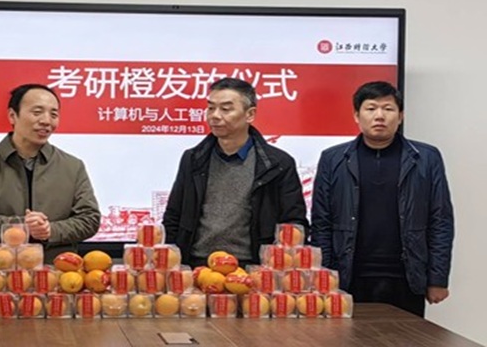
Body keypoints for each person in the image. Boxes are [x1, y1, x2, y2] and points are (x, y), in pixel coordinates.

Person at [310, 81, 454, 317]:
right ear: (356, 115)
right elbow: (321, 223)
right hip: (348, 276)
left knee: (408, 336)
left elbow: (441, 220)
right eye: (371, 108)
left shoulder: (426, 158)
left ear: (401, 116)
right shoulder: (333, 159)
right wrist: (323, 277)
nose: (379, 116)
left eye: (388, 109)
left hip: (407, 276)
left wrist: (437, 278)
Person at [0, 84, 101, 284]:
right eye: (37, 112)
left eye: (54, 114)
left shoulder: (72, 166)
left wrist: (51, 230)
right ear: (12, 116)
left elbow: (90, 219)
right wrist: (19, 226)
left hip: (57, 283)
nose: (46, 121)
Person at [162, 77, 308, 268]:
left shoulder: (277, 164)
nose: (215, 115)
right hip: (199, 265)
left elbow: (293, 223)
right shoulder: (193, 159)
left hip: (252, 267)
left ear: (250, 114)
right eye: (211, 108)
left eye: (225, 109)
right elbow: (173, 216)